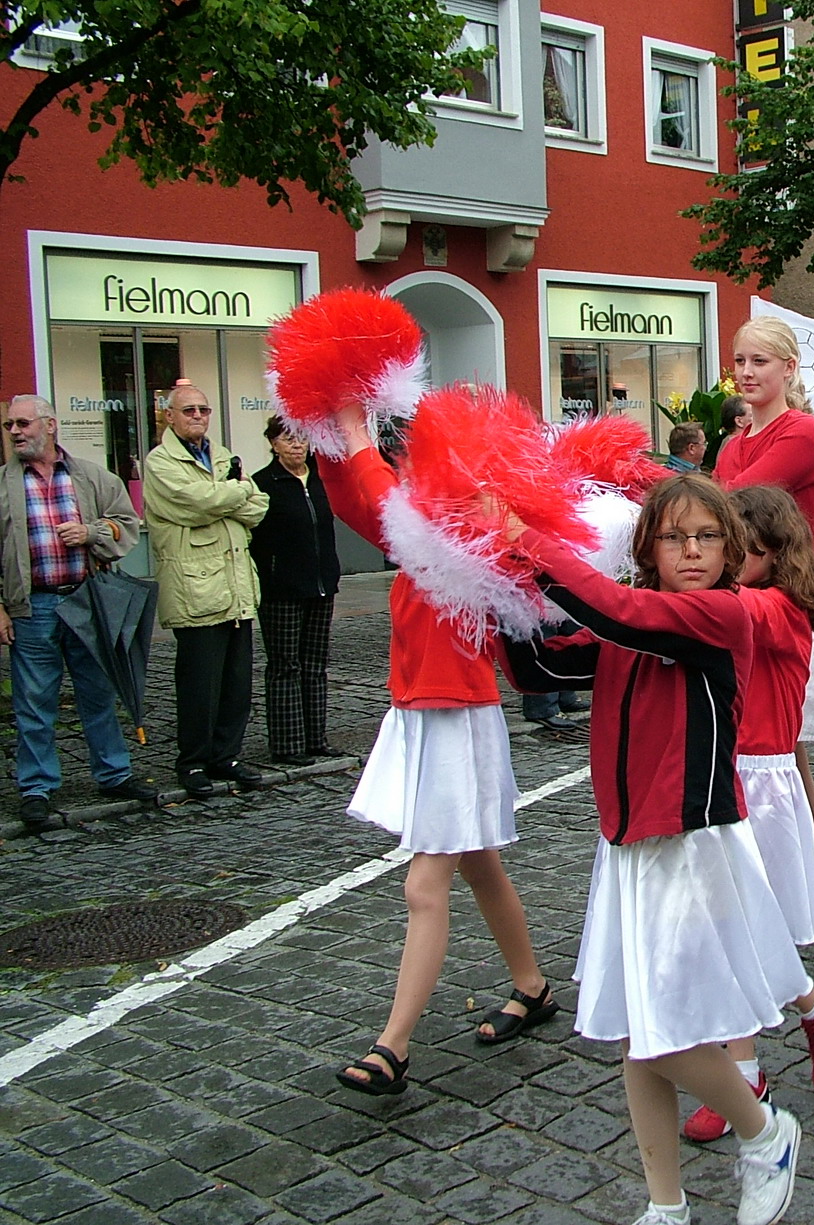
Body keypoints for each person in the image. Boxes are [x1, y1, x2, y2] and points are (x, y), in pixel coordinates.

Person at [500, 474, 805, 1225]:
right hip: (630, 848)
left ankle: (765, 1133)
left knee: (665, 1032)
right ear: (648, 549)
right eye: (674, 537)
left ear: (731, 549)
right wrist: (489, 586)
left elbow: (619, 612)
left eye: (707, 536)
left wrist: (524, 541)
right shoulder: (633, 622)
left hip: (690, 843)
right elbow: (541, 667)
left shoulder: (719, 613)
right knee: (640, 1035)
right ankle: (666, 1205)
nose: (692, 550)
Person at [323, 403, 560, 1098]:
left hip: (458, 720)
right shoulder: (421, 521)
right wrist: (329, 435)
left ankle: (392, 1047)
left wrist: (355, 432)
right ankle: (532, 985)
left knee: (424, 886)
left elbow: (380, 495)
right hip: (425, 715)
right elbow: (352, 499)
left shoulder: (477, 536)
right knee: (479, 864)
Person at [681, 484, 814, 1145]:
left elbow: (723, 607)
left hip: (761, 788)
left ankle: (748, 1073)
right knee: (734, 931)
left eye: (739, 549)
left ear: (776, 552)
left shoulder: (778, 608)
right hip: (724, 778)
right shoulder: (748, 600)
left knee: (741, 934)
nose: (726, 561)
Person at [714, 317, 814, 926]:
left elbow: (728, 505)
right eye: (740, 361)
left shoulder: (802, 433)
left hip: (787, 605)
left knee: (782, 747)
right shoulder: (732, 443)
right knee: (766, 745)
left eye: (759, 362)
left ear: (789, 369)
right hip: (740, 603)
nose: (746, 373)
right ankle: (808, 871)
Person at [0, 395, 158, 831]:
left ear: (50, 425)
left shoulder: (89, 476)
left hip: (87, 601)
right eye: (10, 425)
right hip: (32, 607)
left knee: (99, 693)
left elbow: (126, 521)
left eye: (23, 423)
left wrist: (91, 533)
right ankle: (36, 787)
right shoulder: (4, 485)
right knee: (34, 702)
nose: (14, 432)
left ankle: (113, 774)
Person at [143, 380, 269, 798]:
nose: (198, 416)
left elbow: (259, 506)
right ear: (169, 416)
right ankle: (193, 761)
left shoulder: (223, 456)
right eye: (189, 410)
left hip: (236, 587)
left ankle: (226, 756)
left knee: (236, 684)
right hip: (195, 590)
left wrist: (224, 499)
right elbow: (195, 503)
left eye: (203, 409)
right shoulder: (161, 462)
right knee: (199, 685)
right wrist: (234, 494)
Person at [249, 418, 341, 766]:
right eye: (287, 439)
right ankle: (288, 744)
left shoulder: (319, 480)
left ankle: (316, 739)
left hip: (321, 584)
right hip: (282, 587)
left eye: (301, 438)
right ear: (273, 444)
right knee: (285, 665)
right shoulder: (263, 483)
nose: (296, 445)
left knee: (315, 664)